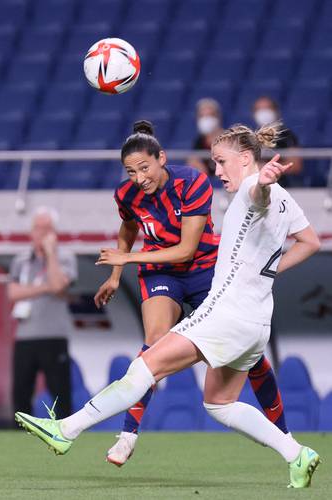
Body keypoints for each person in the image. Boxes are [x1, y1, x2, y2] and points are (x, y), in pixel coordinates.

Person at [15, 123, 321, 489]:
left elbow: (258, 195)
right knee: (219, 404)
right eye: (214, 164)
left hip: (223, 315)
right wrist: (266, 272)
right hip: (257, 323)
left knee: (144, 368)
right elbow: (311, 242)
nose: (217, 171)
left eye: (222, 162)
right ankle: (295, 453)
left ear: (245, 159)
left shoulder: (251, 191)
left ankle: (66, 429)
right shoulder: (288, 199)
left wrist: (264, 181)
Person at [94, 120, 291, 467]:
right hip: (160, 270)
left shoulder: (193, 181)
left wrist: (127, 257)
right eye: (130, 171)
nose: (139, 178)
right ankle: (127, 436)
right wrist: (115, 275)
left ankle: (285, 437)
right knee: (154, 343)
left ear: (162, 159)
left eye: (144, 168)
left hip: (202, 268)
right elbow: (127, 227)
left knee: (250, 355)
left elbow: (186, 250)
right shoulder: (126, 195)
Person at [8, 206, 78, 420]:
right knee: (20, 392)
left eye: (46, 228)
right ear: (31, 231)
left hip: (54, 335)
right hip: (25, 337)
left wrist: (50, 255)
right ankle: (21, 438)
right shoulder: (21, 261)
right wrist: (45, 288)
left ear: (54, 232)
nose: (41, 233)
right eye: (37, 228)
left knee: (60, 393)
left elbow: (58, 285)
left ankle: (64, 434)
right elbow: (13, 293)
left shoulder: (65, 257)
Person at [252, 96, 303, 187]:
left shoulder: (287, 135)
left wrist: (270, 169)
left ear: (276, 111)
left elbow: (296, 165)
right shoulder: (250, 138)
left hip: (283, 185)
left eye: (267, 108)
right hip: (258, 187)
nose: (263, 113)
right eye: (259, 109)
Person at [188, 98, 223, 176]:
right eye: (202, 116)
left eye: (210, 115)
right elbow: (193, 162)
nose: (206, 120)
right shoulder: (198, 141)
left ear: (218, 117)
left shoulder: (229, 140)